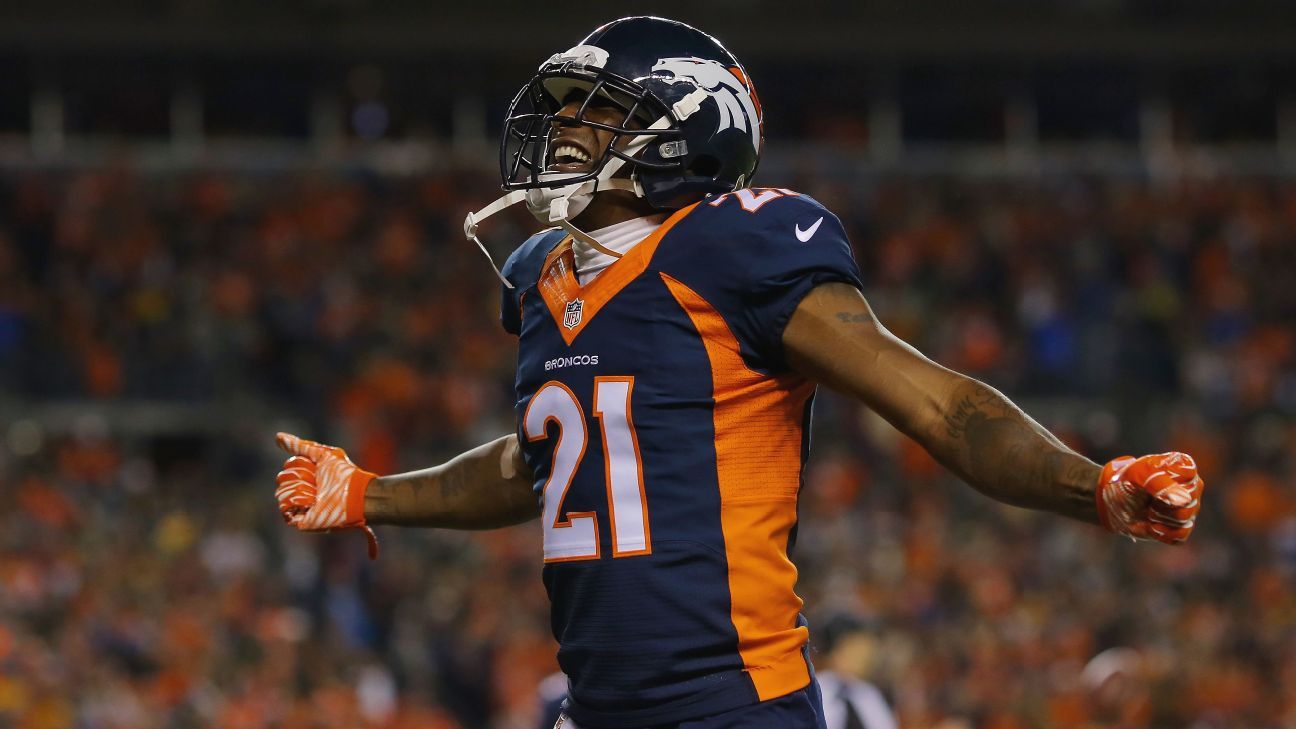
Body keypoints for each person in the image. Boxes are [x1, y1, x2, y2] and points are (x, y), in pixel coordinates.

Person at [272, 16, 1205, 729]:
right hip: (594, 708)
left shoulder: (737, 246)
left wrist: (1097, 485)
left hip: (729, 705)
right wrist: (369, 494)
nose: (563, 133)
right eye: (564, 112)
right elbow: (542, 461)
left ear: (688, 130)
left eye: (598, 114)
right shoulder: (541, 278)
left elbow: (941, 408)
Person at [813, 614, 897, 729]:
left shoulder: (869, 694)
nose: (866, 656)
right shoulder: (814, 691)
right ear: (838, 648)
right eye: (856, 648)